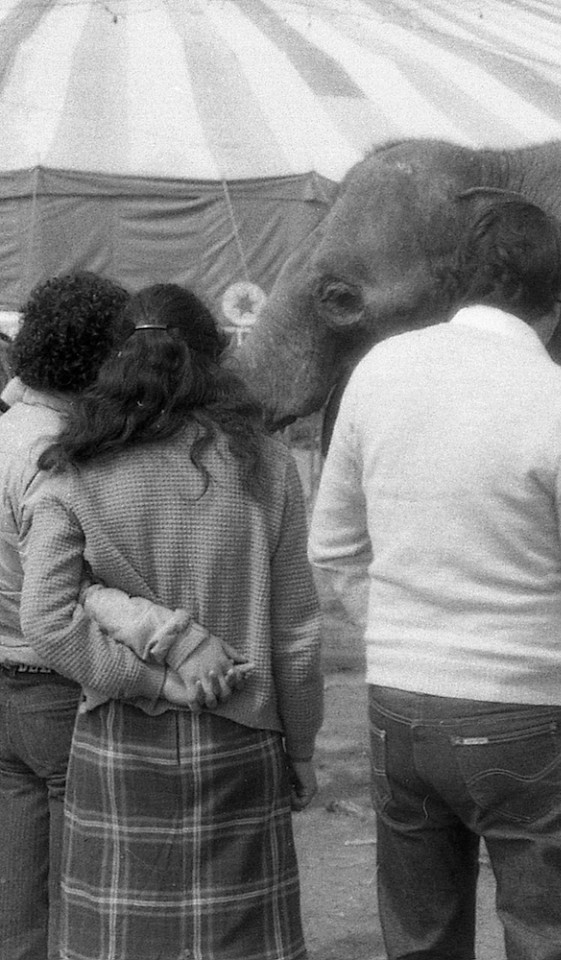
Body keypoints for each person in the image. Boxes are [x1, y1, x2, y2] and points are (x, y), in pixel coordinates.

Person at [308, 195, 561, 960]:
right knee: (551, 938)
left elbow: (331, 549)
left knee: (421, 939)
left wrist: (401, 632)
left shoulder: (377, 371)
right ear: (559, 299)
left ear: (459, 283)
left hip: (400, 707)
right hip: (526, 711)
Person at [19, 283, 323, 960]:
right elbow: (297, 634)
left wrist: (149, 683)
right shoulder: (268, 467)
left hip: (120, 737)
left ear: (111, 364)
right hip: (243, 736)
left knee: (121, 944)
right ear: (216, 358)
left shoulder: (73, 468)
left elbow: (47, 617)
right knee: (242, 944)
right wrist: (300, 749)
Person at [0, 272, 128, 960]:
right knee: (78, 896)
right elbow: (76, 592)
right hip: (55, 682)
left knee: (17, 897)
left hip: (7, 687)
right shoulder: (63, 458)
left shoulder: (8, 429)